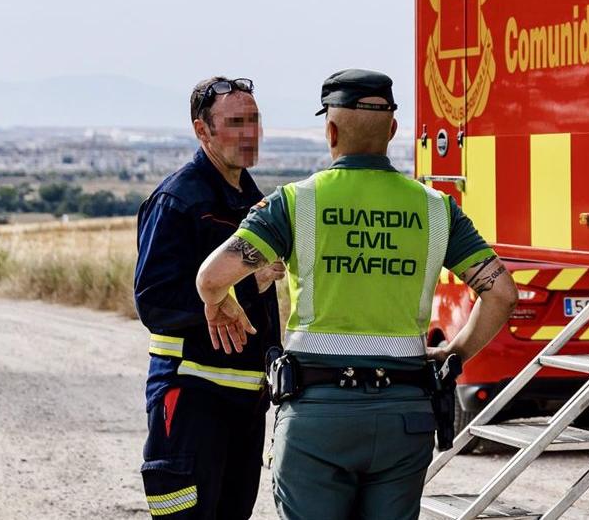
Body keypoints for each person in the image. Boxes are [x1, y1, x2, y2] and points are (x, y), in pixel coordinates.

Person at [195, 69, 517, 520]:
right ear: (393, 131)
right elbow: (501, 293)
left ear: (330, 131)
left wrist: (219, 301)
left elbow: (211, 277)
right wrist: (454, 357)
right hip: (404, 418)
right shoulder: (436, 207)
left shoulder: (295, 202)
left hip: (317, 419)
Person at [134, 76, 284, 520]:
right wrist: (247, 284)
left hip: (244, 403)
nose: (249, 133)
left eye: (254, 121)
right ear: (203, 131)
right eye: (235, 122)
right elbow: (154, 300)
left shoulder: (253, 200)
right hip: (191, 401)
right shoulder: (178, 201)